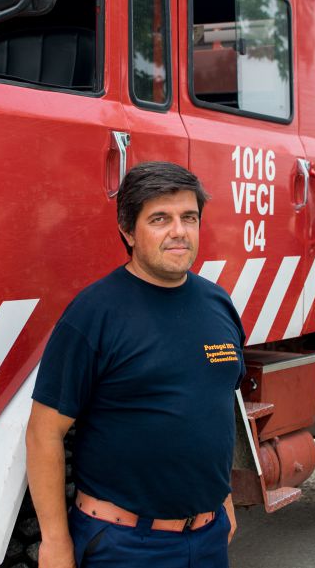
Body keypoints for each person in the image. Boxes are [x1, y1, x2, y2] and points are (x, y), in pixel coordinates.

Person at [26, 161, 246, 568]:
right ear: (128, 231)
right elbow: (43, 433)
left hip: (208, 537)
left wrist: (223, 500)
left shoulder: (218, 304)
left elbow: (213, 410)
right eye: (160, 219)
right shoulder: (94, 314)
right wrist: (55, 542)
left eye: (189, 218)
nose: (179, 231)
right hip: (124, 544)